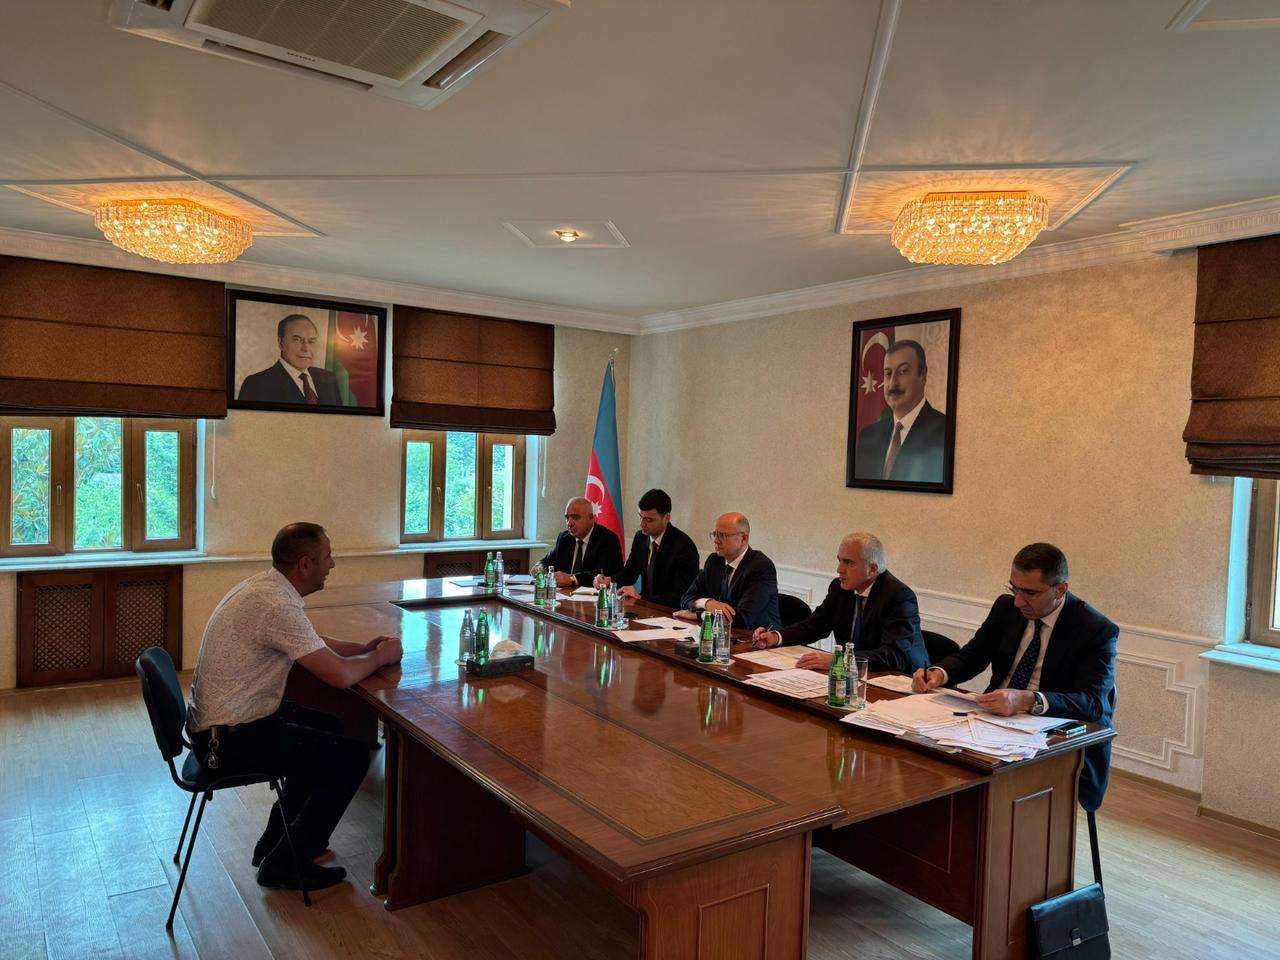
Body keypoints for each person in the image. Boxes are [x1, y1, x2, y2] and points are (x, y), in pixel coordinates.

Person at [186, 523, 403, 891]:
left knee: (330, 727)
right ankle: (286, 862)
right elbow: (340, 676)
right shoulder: (275, 605)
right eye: (327, 557)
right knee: (350, 758)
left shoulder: (268, 588)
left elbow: (311, 641)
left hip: (226, 727)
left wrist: (364, 649)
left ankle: (278, 842)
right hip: (225, 743)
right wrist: (381, 657)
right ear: (305, 564)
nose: (332, 564)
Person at [913, 542, 1118, 811]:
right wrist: (939, 673)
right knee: (926, 749)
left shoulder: (1094, 629)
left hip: (1052, 733)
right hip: (992, 720)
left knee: (982, 778)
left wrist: (1027, 700)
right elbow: (974, 655)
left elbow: (1092, 703)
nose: (1019, 601)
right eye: (1014, 589)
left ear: (1060, 589)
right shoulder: (1006, 608)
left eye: (1030, 593)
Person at [751, 532, 927, 674]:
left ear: (872, 569)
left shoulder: (898, 596)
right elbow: (814, 626)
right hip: (853, 677)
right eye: (839, 560)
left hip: (901, 681)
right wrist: (776, 637)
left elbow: (893, 655)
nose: (839, 569)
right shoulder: (840, 588)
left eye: (849, 563)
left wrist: (839, 660)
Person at [854, 339, 947, 483]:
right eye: (888, 373)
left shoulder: (946, 431)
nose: (892, 383)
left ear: (923, 375)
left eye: (903, 371)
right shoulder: (868, 436)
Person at [596, 488, 699, 608]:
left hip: (669, 612)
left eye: (648, 520)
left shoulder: (684, 546)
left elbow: (682, 596)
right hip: (645, 608)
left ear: (666, 518)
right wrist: (609, 581)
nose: (641, 524)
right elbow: (629, 573)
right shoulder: (640, 538)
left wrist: (641, 598)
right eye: (640, 517)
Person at [679, 512, 780, 630]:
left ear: (743, 538)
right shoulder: (714, 561)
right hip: (721, 633)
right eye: (715, 534)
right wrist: (708, 603)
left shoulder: (761, 567)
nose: (716, 541)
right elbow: (685, 599)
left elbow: (743, 618)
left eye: (722, 535)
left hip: (756, 636)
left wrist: (700, 615)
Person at [238, 313, 342, 405]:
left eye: (311, 341)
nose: (306, 348)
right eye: (297, 340)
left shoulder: (329, 378)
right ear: (281, 343)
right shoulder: (256, 384)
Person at [540, 496, 624, 588]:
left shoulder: (607, 539)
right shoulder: (564, 538)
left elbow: (603, 573)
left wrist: (573, 579)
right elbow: (546, 561)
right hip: (565, 594)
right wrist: (540, 568)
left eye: (575, 517)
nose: (569, 523)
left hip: (595, 594)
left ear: (591, 518)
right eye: (567, 517)